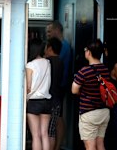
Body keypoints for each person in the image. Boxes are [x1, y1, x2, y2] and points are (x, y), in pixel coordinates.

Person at [72, 39, 110, 150]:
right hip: (104, 112)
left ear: (88, 52)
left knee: (90, 147)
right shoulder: (105, 69)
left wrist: (83, 92)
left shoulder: (84, 71)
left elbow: (74, 90)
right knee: (100, 144)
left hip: (89, 113)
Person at [45, 20, 72, 148]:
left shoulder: (63, 47)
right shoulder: (64, 46)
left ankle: (58, 146)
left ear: (57, 30)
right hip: (59, 85)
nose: (48, 34)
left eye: (49, 31)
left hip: (59, 86)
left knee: (58, 118)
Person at [26, 38, 52, 150]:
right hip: (47, 101)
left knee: (36, 136)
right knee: (44, 134)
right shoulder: (47, 63)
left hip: (34, 102)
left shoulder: (30, 65)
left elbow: (28, 87)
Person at [45, 37, 64, 150]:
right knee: (51, 130)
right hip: (57, 98)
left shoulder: (48, 62)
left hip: (49, 100)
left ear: (50, 48)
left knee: (48, 131)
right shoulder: (60, 61)